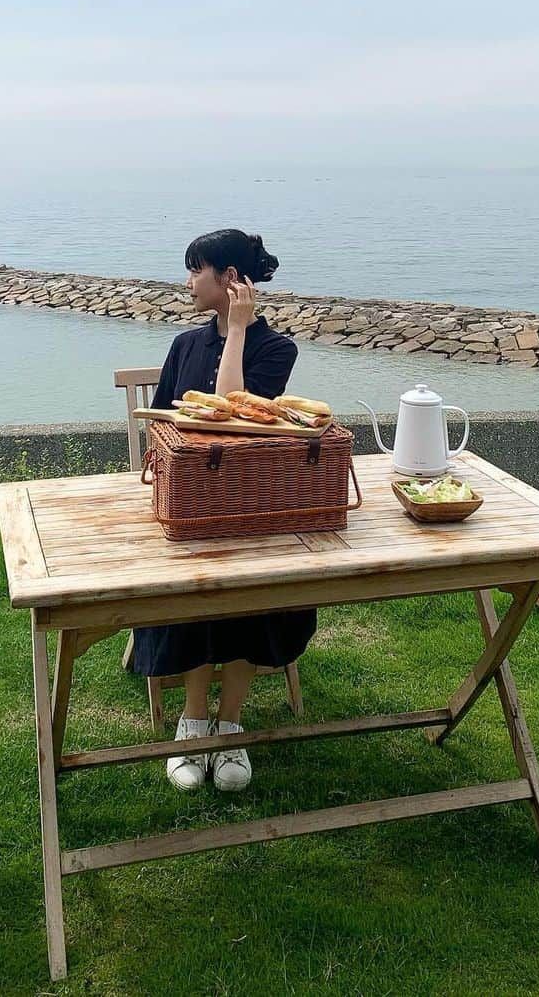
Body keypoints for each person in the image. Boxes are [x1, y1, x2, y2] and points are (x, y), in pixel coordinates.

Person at [132, 228, 315, 792]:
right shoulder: (184, 345)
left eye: (196, 270)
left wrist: (236, 332)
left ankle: (229, 723)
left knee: (254, 591)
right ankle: (193, 720)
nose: (188, 281)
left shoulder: (275, 349)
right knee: (188, 588)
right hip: (185, 503)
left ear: (229, 279)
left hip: (251, 502)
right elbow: (162, 424)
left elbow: (238, 418)